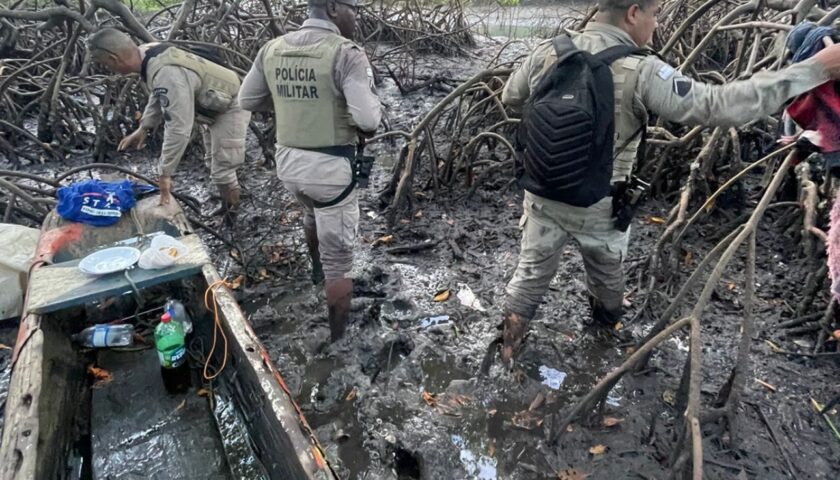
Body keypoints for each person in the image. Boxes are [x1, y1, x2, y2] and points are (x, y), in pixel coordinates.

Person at [499, 0, 840, 365]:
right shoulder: (642, 69)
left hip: (541, 194)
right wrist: (813, 69)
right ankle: (601, 346)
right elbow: (718, 105)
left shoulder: (546, 52)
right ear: (632, 13)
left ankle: (505, 353)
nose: (656, 25)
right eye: (654, 14)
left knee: (530, 276)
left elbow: (511, 98)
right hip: (599, 205)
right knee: (607, 279)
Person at [238, 0, 381, 343]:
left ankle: (315, 272)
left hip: (289, 166)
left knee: (310, 213)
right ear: (333, 8)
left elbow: (247, 99)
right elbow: (368, 121)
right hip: (330, 171)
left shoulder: (272, 48)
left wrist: (293, 106)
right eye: (352, 9)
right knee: (340, 265)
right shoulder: (347, 53)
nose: (356, 17)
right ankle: (338, 341)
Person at [88, 28, 250, 217]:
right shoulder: (147, 53)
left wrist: (165, 174)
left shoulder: (166, 72)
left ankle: (233, 215)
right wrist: (144, 126)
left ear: (113, 59)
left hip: (232, 104)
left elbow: (179, 129)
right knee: (213, 161)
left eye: (105, 64)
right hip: (212, 104)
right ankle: (228, 204)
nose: (109, 70)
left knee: (223, 168)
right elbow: (160, 95)